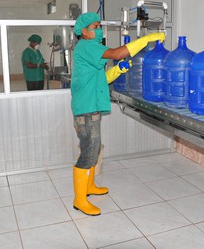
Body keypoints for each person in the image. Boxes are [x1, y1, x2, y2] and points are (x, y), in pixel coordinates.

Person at [70, 12, 165, 216]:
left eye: (99, 26)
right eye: (95, 27)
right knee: (89, 151)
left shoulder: (88, 48)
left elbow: (100, 78)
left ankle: (89, 186)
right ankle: (79, 199)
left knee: (93, 149)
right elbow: (116, 53)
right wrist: (145, 39)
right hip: (86, 109)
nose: (98, 30)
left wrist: (118, 71)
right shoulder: (86, 46)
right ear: (84, 31)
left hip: (90, 106)